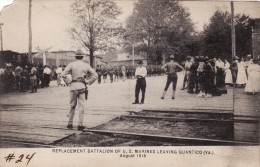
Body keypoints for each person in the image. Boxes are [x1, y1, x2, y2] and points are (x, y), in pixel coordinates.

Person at [61, 49, 97, 131]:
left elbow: (63, 74)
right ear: (82, 57)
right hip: (82, 87)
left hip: (73, 87)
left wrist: (68, 82)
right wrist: (87, 81)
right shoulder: (86, 65)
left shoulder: (71, 64)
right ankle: (80, 124)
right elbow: (95, 75)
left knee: (72, 105)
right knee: (81, 107)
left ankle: (70, 123)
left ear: (75, 57)